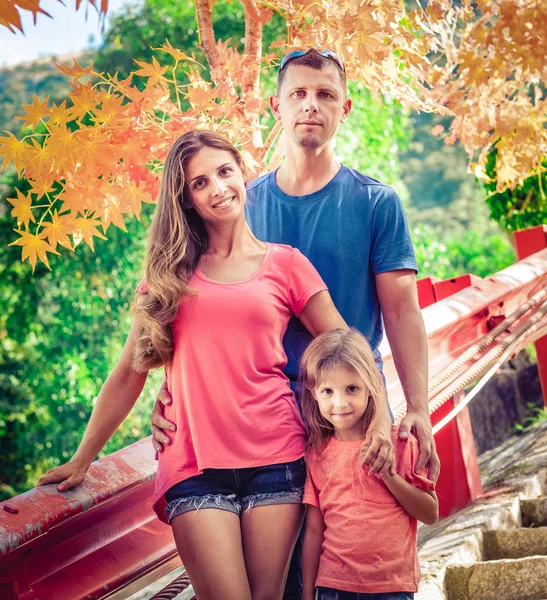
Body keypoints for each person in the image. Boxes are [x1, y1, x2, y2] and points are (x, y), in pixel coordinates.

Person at [37, 131, 393, 600]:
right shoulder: (168, 277)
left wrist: (382, 423)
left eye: (224, 172)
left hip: (277, 455)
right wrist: (84, 459)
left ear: (241, 172)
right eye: (199, 183)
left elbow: (349, 348)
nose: (218, 187)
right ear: (185, 200)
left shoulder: (286, 265)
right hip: (193, 463)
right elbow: (129, 373)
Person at [151, 48, 440, 481]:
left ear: (344, 109)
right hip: (260, 414)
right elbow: (203, 304)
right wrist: (172, 385)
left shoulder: (376, 202)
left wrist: (418, 409)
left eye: (325, 94)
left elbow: (401, 312)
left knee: (360, 541)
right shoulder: (239, 202)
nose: (310, 104)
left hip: (351, 411)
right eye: (298, 93)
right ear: (277, 106)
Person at [300, 328, 438, 600]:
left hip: (393, 585)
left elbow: (430, 513)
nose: (339, 403)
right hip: (334, 586)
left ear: (371, 386)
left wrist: (389, 476)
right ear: (314, 393)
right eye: (328, 391)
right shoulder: (317, 454)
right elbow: (314, 531)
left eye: (352, 389)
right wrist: (307, 594)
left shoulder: (399, 443)